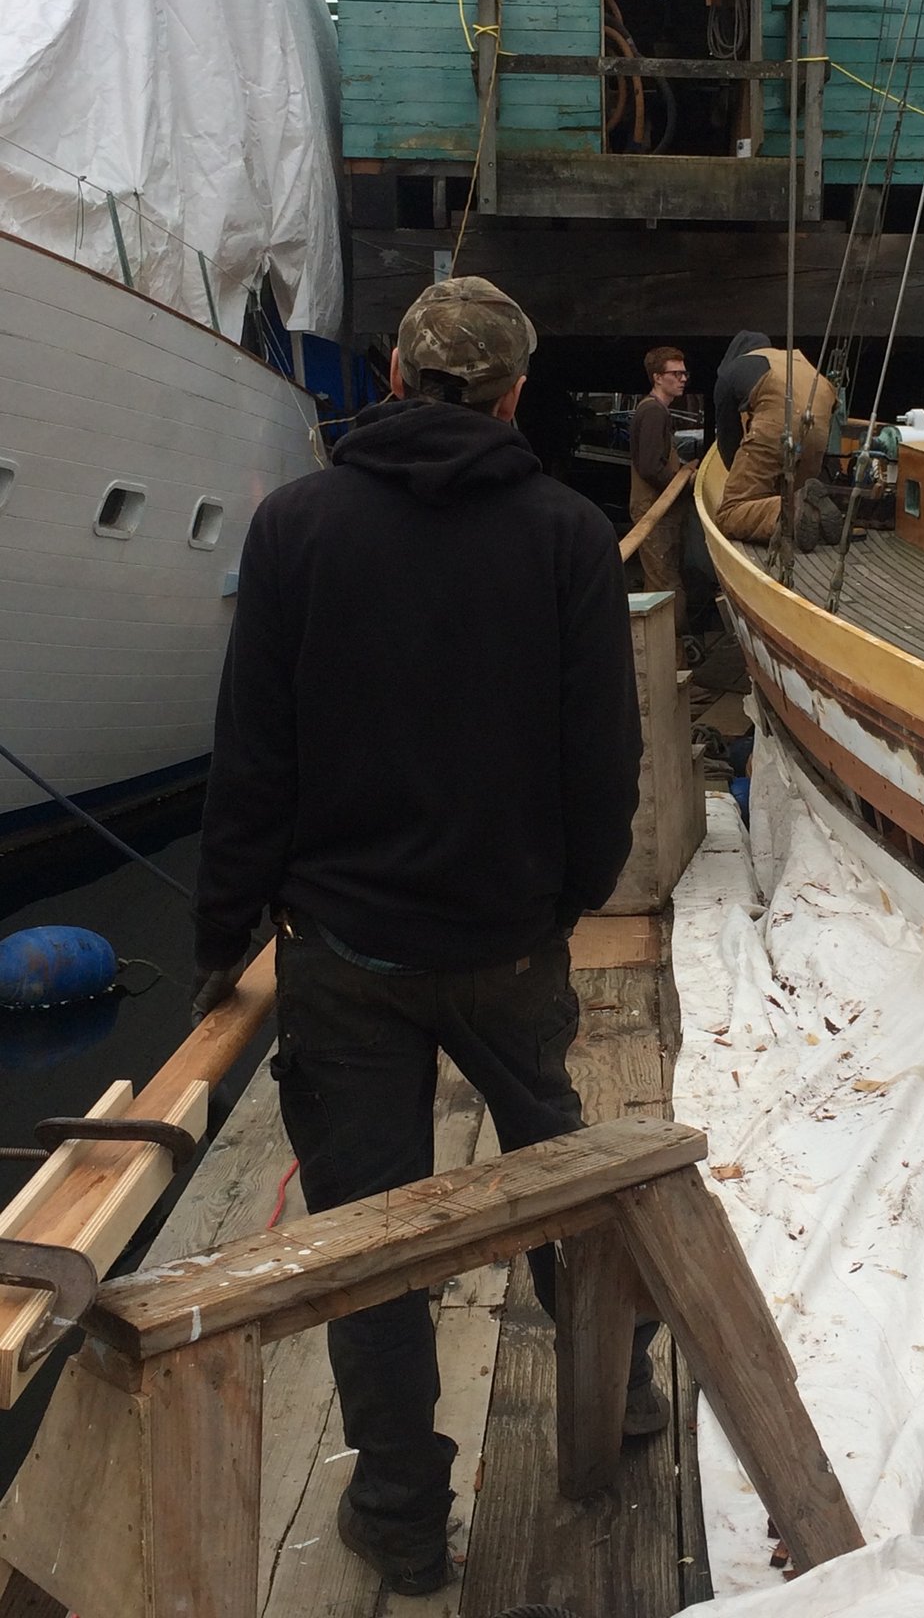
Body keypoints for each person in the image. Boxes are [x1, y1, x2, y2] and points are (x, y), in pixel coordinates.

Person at [190, 277, 647, 1598]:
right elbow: (599, 757)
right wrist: (564, 896)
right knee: (556, 1164)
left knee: (371, 1236)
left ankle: (397, 1515)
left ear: (388, 378)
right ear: (514, 395)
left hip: (346, 960)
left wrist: (224, 931)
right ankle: (614, 1404)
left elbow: (253, 761)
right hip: (508, 943)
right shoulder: (567, 536)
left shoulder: (294, 531)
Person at [713, 330, 841, 549]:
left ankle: (791, 510)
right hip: (818, 429)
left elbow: (728, 434)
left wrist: (736, 472)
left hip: (777, 426)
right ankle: (813, 512)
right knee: (797, 492)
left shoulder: (733, 370)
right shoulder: (796, 360)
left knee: (730, 512)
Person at [628, 344, 690, 634]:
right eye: (675, 373)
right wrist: (682, 483)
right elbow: (650, 466)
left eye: (683, 373)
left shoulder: (654, 411)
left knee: (661, 581)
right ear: (657, 377)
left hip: (658, 508)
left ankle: (666, 659)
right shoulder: (654, 412)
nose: (682, 378)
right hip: (655, 509)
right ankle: (671, 661)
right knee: (665, 585)